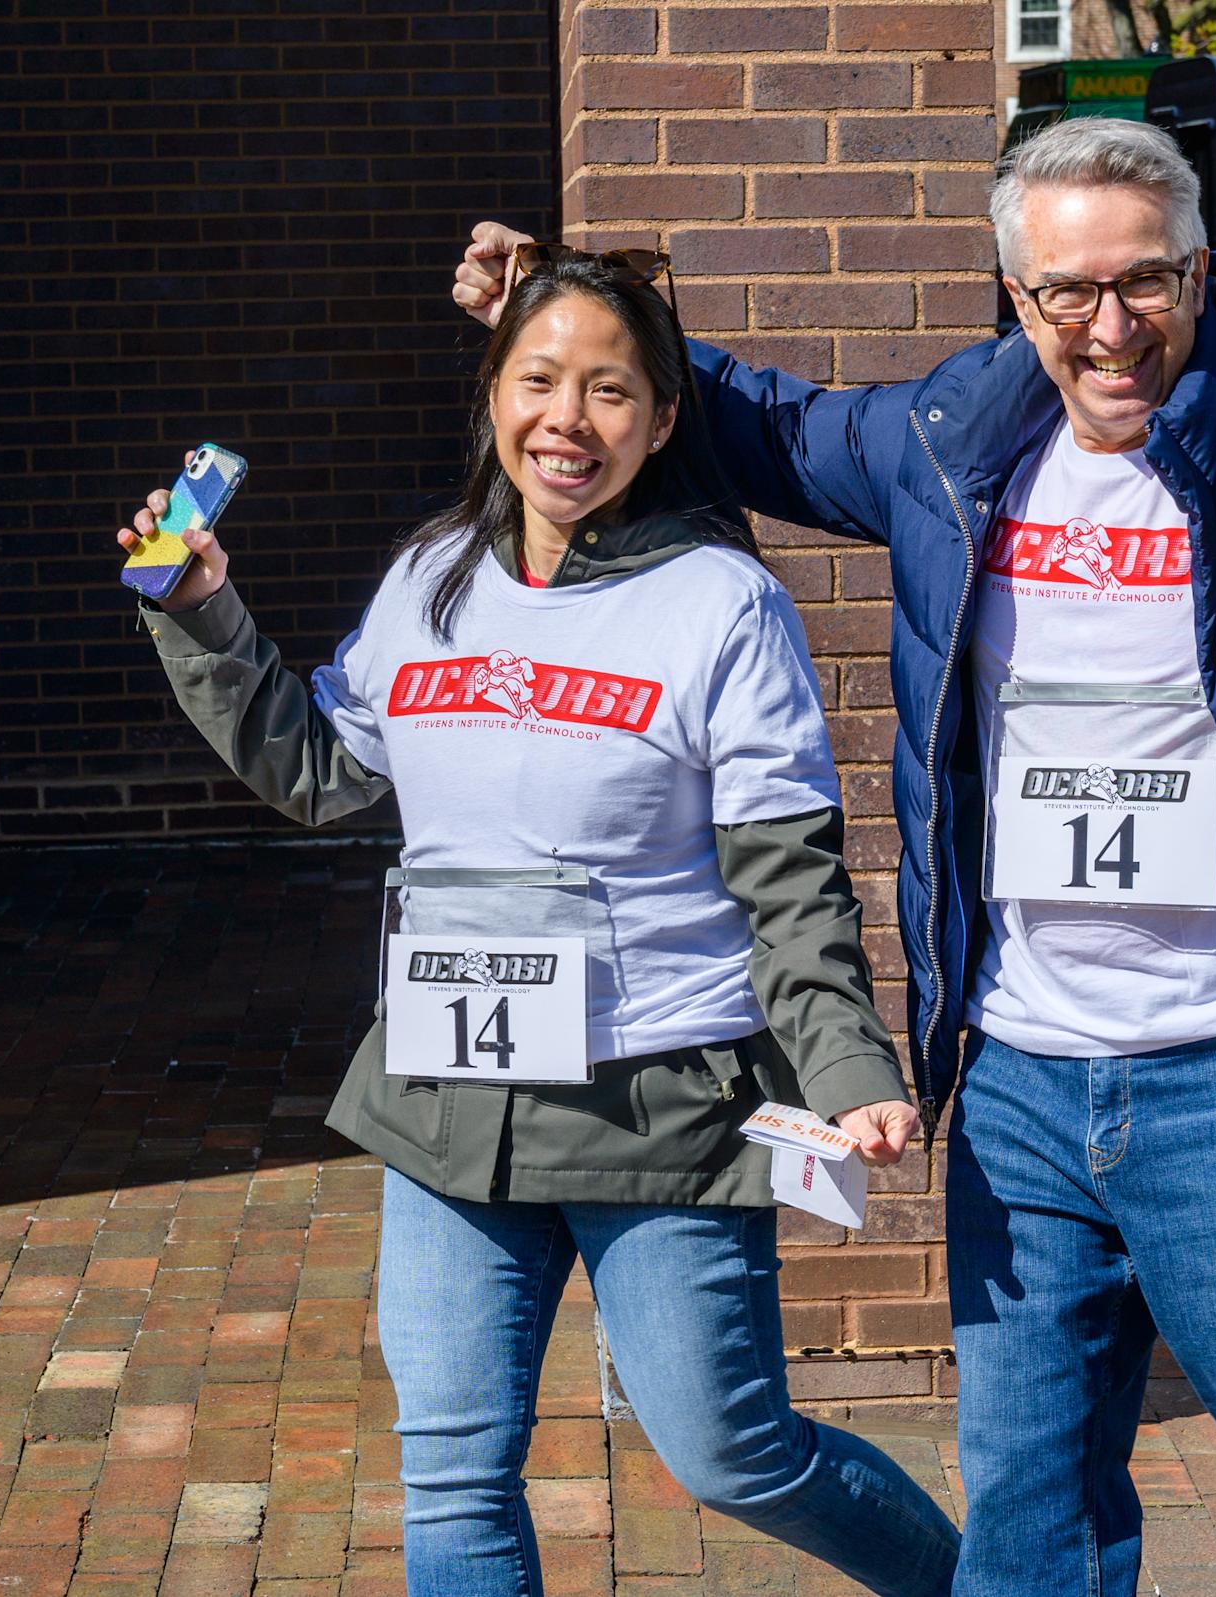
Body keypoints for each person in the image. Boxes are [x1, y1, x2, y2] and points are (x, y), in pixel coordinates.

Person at [457, 88, 1216, 1597]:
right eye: (1066, 289)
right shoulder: (957, 437)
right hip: (1020, 1072)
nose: (1109, 324)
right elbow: (753, 421)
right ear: (1016, 295)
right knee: (1031, 1515)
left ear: (1197, 269)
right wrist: (557, 303)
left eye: (1144, 278)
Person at [114, 250, 960, 1596]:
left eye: (611, 390)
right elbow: (325, 773)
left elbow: (789, 878)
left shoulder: (722, 606)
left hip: (662, 1104)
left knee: (734, 1453)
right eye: (540, 380)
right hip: (447, 1098)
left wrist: (850, 1068)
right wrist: (200, 610)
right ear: (496, 393)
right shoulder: (429, 577)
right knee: (449, 1479)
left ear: (664, 419)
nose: (569, 420)